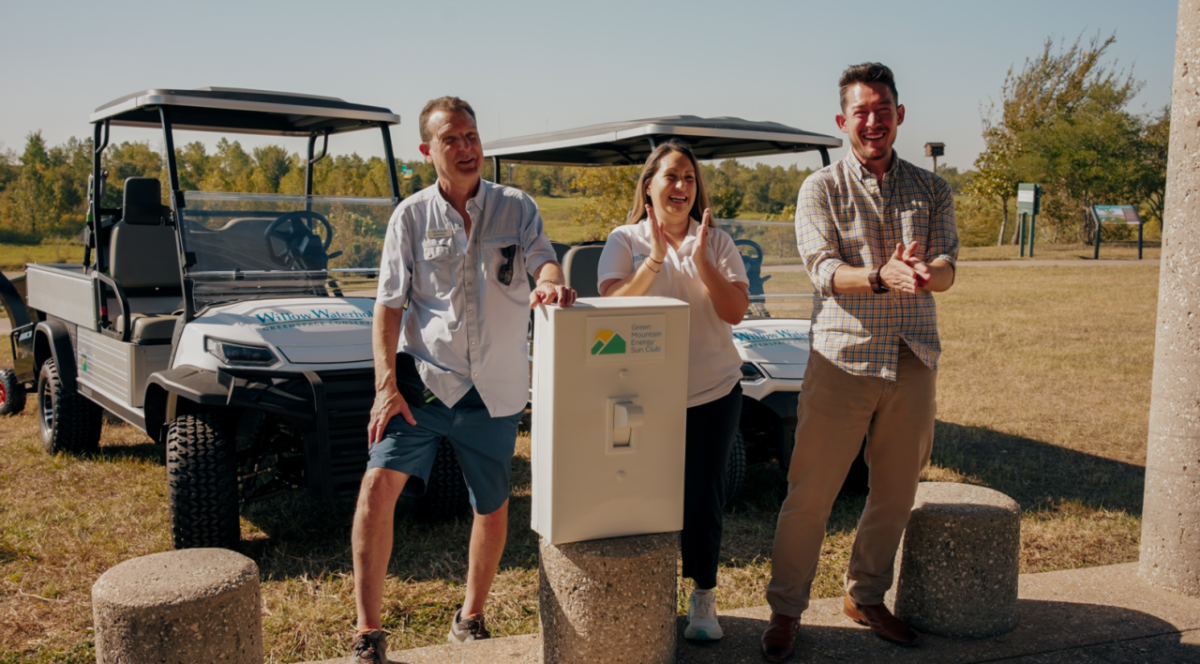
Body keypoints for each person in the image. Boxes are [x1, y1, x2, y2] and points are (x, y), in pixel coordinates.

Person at [350, 96, 576, 664]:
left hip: (496, 387)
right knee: (377, 491)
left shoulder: (516, 207)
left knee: (492, 506)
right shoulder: (411, 216)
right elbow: (388, 307)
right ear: (428, 151)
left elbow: (542, 260)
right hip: (424, 384)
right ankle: (368, 631)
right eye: (452, 139)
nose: (468, 148)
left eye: (472, 136)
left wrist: (549, 283)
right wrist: (386, 385)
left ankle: (471, 616)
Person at [760, 62, 959, 662]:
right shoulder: (820, 188)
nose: (873, 121)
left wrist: (929, 274)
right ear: (843, 121)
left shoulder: (932, 189)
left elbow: (950, 265)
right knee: (810, 494)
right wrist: (880, 275)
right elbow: (821, 270)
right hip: (843, 358)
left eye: (883, 109)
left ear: (899, 115)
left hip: (913, 356)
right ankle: (785, 611)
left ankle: (865, 596)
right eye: (861, 112)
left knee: (896, 491)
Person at [597, 139, 750, 642]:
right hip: (642, 395)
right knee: (641, 494)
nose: (681, 186)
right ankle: (644, 595)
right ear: (649, 186)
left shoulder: (718, 242)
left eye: (689, 178)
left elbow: (733, 311)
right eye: (671, 176)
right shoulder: (625, 239)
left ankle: (703, 596)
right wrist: (656, 259)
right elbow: (613, 306)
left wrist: (701, 257)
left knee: (702, 496)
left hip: (712, 390)